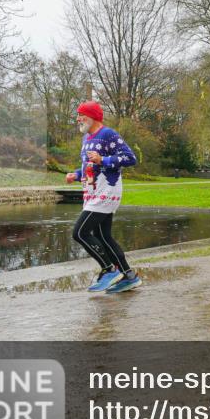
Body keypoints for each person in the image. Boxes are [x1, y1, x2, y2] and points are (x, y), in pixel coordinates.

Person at [66, 101, 141, 293]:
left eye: (81, 114)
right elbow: (89, 166)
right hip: (92, 192)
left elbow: (130, 158)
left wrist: (104, 159)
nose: (78, 118)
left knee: (80, 233)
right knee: (103, 236)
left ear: (92, 116)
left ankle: (109, 269)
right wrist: (76, 174)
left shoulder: (108, 134)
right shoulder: (86, 138)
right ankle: (128, 276)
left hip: (107, 191)